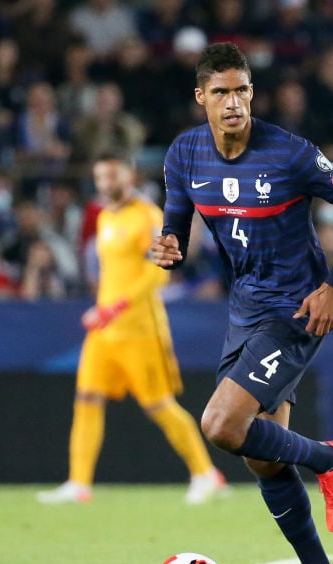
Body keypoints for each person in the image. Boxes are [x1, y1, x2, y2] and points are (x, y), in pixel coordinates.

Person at [151, 43, 333, 564]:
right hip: (245, 309)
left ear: (252, 93)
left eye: (242, 91)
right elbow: (176, 231)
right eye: (221, 92)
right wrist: (167, 248)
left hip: (297, 310)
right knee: (261, 452)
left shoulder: (290, 154)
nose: (233, 103)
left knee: (220, 424)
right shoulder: (184, 155)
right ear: (201, 97)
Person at [38, 153, 229, 506]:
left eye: (112, 176)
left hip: (139, 327)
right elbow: (114, 273)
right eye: (100, 178)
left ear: (130, 176)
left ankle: (206, 473)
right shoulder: (105, 217)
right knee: (87, 400)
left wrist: (116, 307)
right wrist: (102, 307)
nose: (105, 184)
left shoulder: (148, 217)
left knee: (159, 405)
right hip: (104, 328)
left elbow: (160, 269)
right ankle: (79, 483)